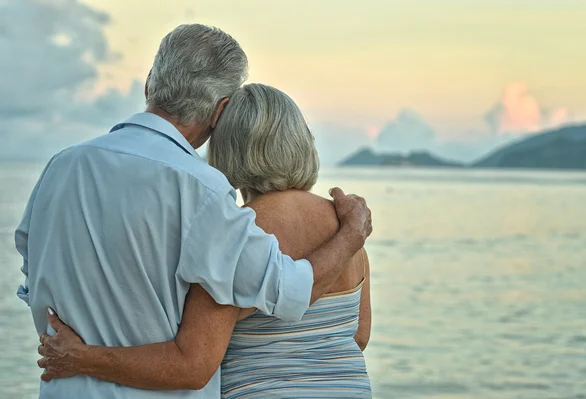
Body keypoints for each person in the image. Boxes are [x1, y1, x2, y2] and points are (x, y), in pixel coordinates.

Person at [18, 24, 372, 399]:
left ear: (149, 84)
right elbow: (291, 291)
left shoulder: (59, 168)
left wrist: (82, 349)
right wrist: (351, 234)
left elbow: (33, 274)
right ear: (220, 111)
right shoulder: (201, 191)